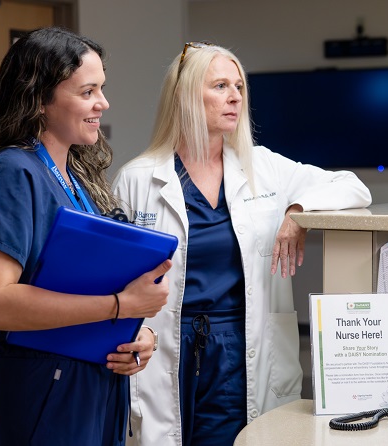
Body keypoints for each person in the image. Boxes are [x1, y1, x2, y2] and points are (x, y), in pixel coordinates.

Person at [112, 41, 372, 445]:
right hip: (165, 344)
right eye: (219, 86)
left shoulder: (263, 168)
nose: (234, 96)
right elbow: (115, 274)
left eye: (239, 87)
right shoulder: (138, 179)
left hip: (237, 346)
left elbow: (352, 187)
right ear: (185, 96)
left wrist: (298, 210)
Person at [0, 27, 169, 445]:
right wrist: (120, 306)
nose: (102, 104)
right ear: (39, 99)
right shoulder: (16, 172)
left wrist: (137, 335)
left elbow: (88, 285)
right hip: (46, 384)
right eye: (87, 92)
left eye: (101, 89)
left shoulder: (79, 178)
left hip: (95, 378)